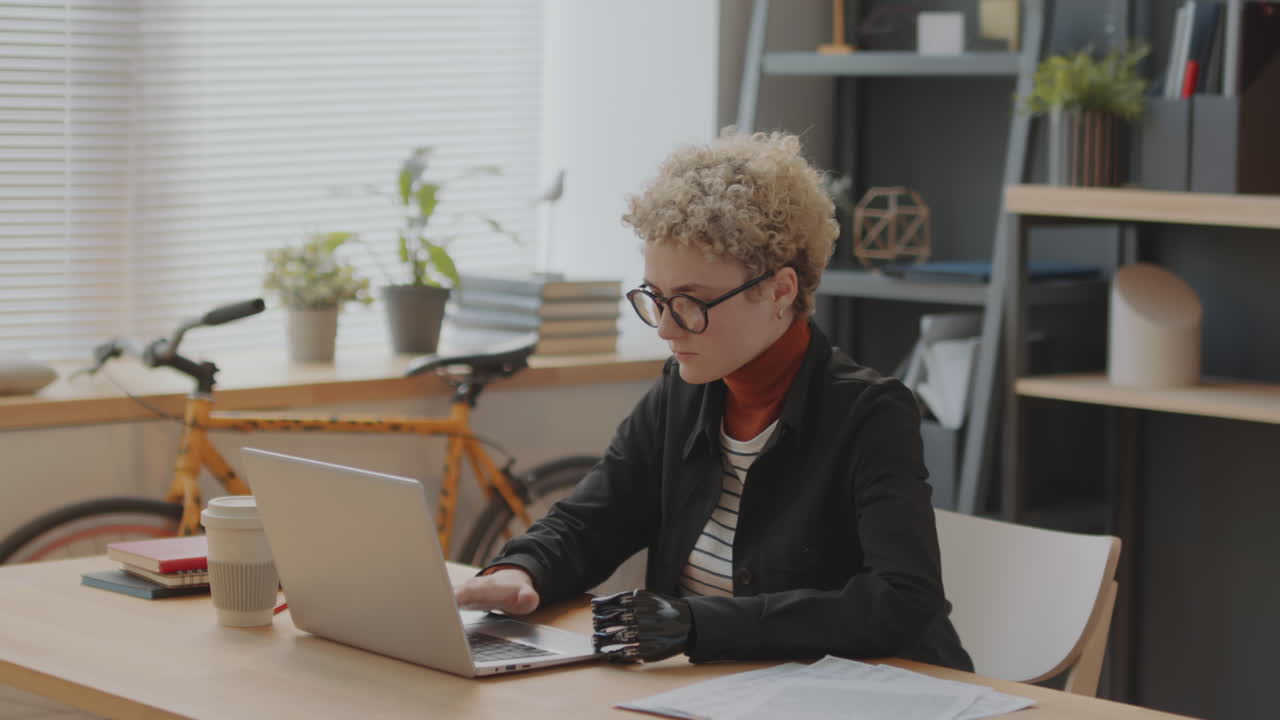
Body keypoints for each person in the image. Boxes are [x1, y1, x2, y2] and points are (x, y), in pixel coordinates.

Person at [455, 129, 972, 671]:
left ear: (780, 290)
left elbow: (902, 600)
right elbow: (593, 520)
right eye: (655, 298)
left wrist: (701, 624)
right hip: (723, 691)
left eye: (691, 303)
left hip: (882, 692)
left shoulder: (871, 412)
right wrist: (521, 571)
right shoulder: (681, 392)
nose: (666, 328)